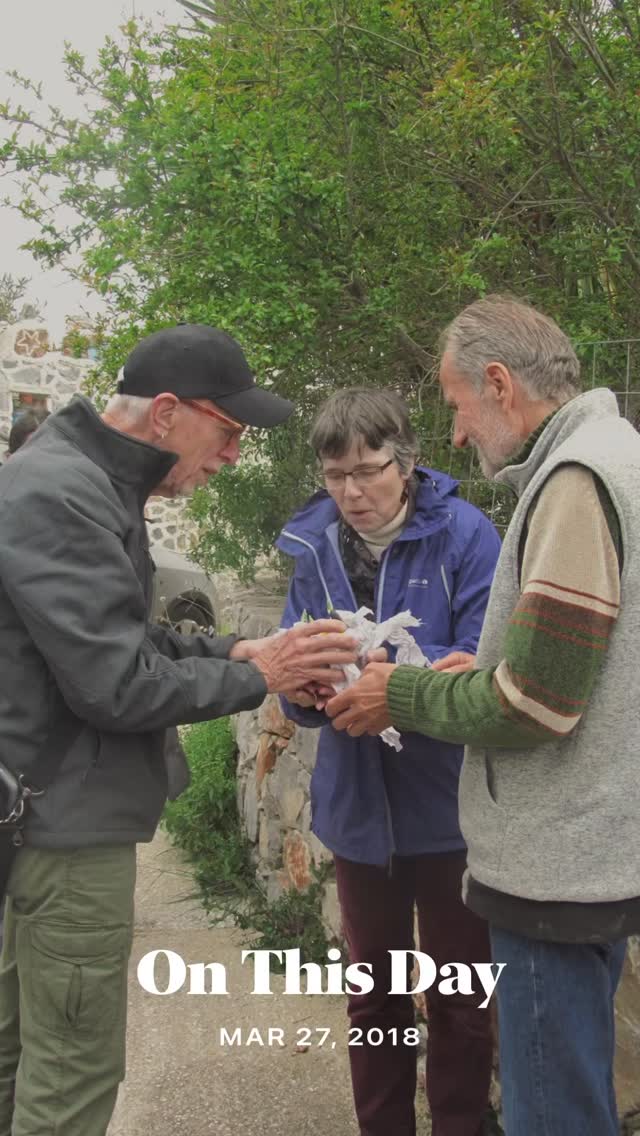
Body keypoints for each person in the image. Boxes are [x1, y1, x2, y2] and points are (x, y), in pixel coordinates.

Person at [0, 323, 361, 1136]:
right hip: (60, 833)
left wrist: (238, 645)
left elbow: (117, 638)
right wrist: (262, 675)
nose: (234, 453)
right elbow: (117, 685)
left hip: (42, 817)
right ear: (166, 413)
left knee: (23, 1056)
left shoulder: (83, 480)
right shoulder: (63, 492)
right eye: (228, 430)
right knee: (68, 1073)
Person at [325, 296, 640, 1136]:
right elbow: (581, 665)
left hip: (553, 868)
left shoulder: (575, 480)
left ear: (499, 384)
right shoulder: (617, 455)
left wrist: (401, 691)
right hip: (592, 851)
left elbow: (535, 703)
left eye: (458, 406)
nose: (458, 434)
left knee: (553, 1110)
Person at [277, 388, 502, 1136]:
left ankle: (461, 1126)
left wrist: (393, 678)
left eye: (369, 471)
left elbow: (485, 664)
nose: (352, 492)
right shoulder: (310, 546)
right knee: (373, 994)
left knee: (460, 998)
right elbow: (291, 658)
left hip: (448, 810)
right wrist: (310, 687)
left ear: (407, 463)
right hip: (356, 811)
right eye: (336, 475)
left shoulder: (469, 536)